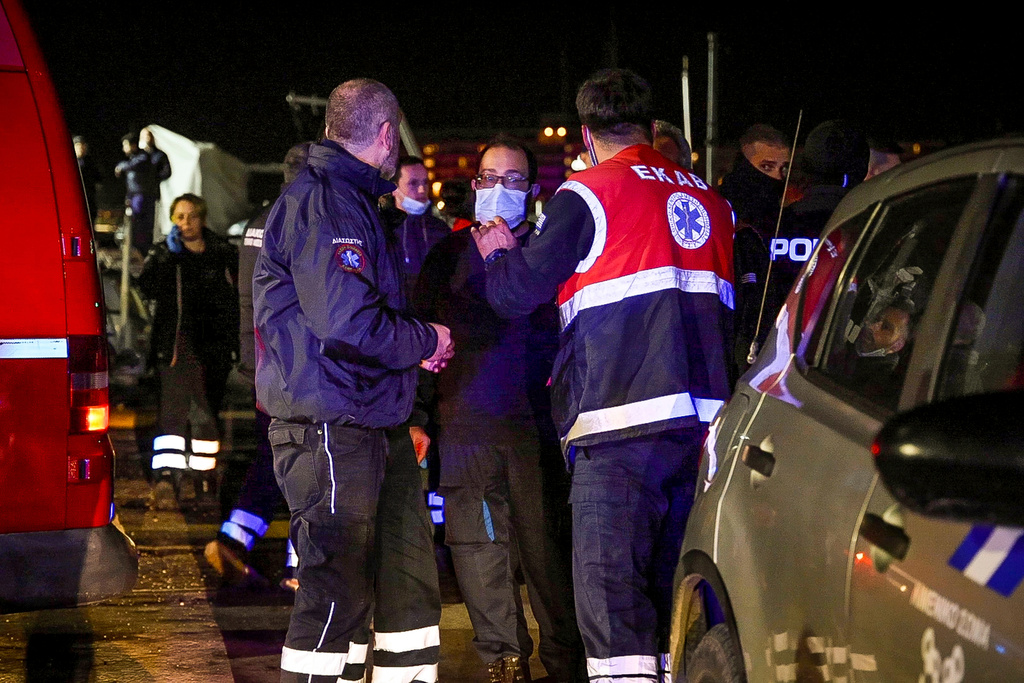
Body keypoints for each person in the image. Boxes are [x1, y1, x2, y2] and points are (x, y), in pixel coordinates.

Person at [470, 69, 734, 683]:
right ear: (647, 126)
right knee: (674, 609)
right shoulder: (710, 202)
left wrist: (498, 252)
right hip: (699, 438)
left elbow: (514, 295)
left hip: (619, 428)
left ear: (587, 134)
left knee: (612, 610)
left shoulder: (588, 194)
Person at [252, 78, 454, 683]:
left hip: (369, 420)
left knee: (406, 583)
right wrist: (426, 341)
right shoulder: (327, 202)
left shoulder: (352, 200)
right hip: (331, 426)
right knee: (335, 589)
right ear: (387, 134)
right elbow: (346, 321)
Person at [414, 135, 583, 683]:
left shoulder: (549, 253)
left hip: (536, 426)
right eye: (489, 177)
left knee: (548, 552)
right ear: (474, 185)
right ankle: (502, 660)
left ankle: (566, 659)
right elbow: (421, 337)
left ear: (533, 191)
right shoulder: (446, 255)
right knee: (478, 547)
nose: (498, 188)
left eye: (513, 180)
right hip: (465, 425)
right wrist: (419, 416)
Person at [204, 142, 313, 589]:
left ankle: (233, 541)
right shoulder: (301, 218)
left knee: (272, 461)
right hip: (295, 369)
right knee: (307, 470)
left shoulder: (258, 219)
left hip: (262, 367)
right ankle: (299, 567)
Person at [139, 193, 239, 503]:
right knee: (171, 414)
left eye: (191, 216)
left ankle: (204, 475)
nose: (185, 223)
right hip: (175, 347)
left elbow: (237, 301)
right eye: (179, 217)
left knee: (207, 412)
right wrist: (167, 257)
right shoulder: (164, 252)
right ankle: (168, 475)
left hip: (213, 348)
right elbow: (147, 288)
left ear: (203, 218)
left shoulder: (223, 253)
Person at [717, 124, 791, 377]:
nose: (777, 178)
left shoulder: (786, 221)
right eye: (766, 167)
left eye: (783, 169)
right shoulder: (717, 214)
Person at [387, 156, 450, 293]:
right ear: (394, 188)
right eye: (413, 183)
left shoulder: (441, 229)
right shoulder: (384, 230)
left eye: (425, 182)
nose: (422, 190)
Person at [115, 132, 161, 255]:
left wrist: (121, 167)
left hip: (142, 196)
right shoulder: (133, 159)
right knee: (134, 223)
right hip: (134, 195)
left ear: (133, 145)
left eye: (126, 145)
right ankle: (136, 249)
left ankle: (142, 250)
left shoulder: (143, 157)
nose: (124, 148)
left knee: (141, 225)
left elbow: (131, 165)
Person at [73, 135, 102, 221]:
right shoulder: (71, 163)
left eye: (83, 145)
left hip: (89, 197)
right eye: (78, 145)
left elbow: (98, 177)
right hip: (76, 198)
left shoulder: (90, 162)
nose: (81, 148)